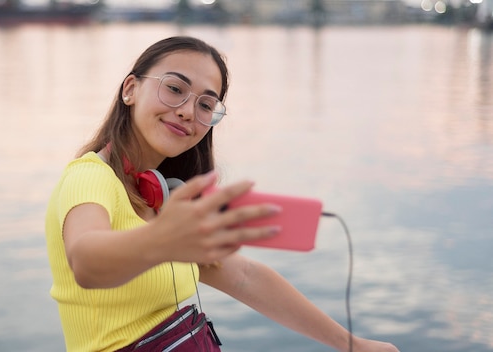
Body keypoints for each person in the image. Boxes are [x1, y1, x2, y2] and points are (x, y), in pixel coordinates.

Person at [45, 36, 400, 352]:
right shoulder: (90, 176)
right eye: (174, 88)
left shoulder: (161, 197)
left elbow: (244, 277)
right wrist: (162, 241)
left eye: (204, 105)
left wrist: (351, 344)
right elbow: (86, 261)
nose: (187, 111)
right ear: (130, 89)